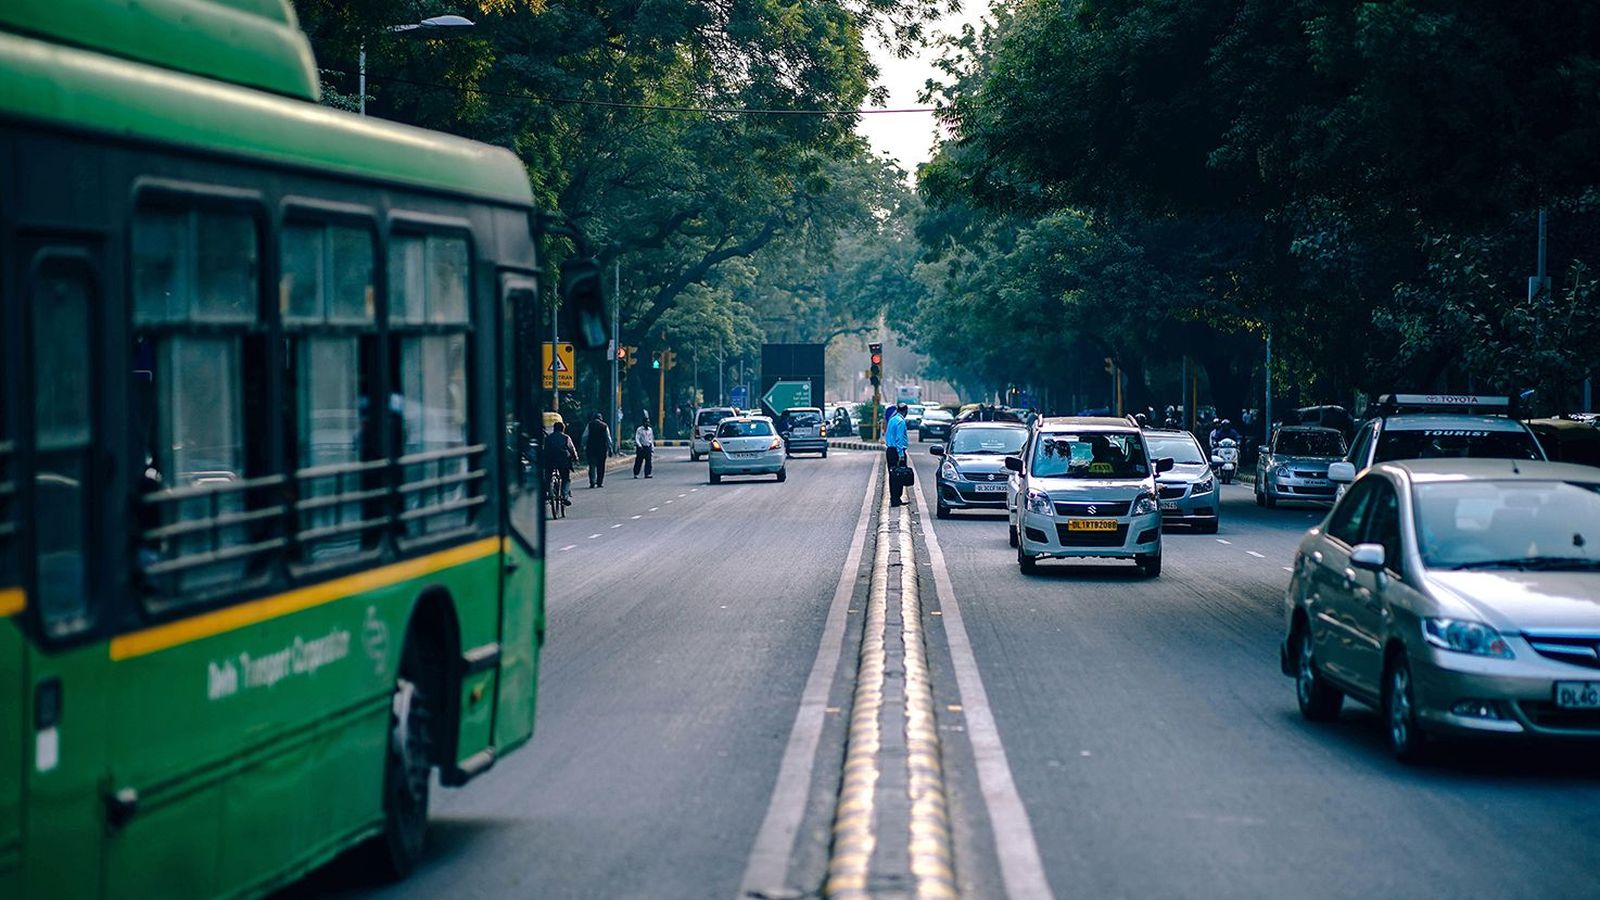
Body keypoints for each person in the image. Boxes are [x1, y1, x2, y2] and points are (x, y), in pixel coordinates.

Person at [544, 421, 577, 505]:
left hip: (549, 461)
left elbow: (545, 450)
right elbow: (572, 449)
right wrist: (575, 458)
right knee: (566, 479)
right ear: (563, 429)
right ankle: (564, 495)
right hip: (563, 462)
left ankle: (549, 492)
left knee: (547, 477)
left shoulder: (548, 438)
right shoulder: (566, 438)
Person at [885, 401, 910, 506]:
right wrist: (901, 455)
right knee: (899, 475)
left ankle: (894, 498)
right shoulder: (901, 421)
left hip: (889, 450)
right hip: (897, 451)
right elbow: (899, 440)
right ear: (905, 412)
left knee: (892, 475)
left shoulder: (892, 419)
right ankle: (896, 499)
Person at [584, 412, 612, 488]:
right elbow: (608, 438)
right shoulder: (604, 426)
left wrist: (582, 446)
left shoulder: (589, 425)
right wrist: (610, 449)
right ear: (601, 418)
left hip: (591, 448)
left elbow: (585, 436)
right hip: (602, 449)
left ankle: (592, 482)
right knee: (601, 466)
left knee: (592, 466)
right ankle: (600, 482)